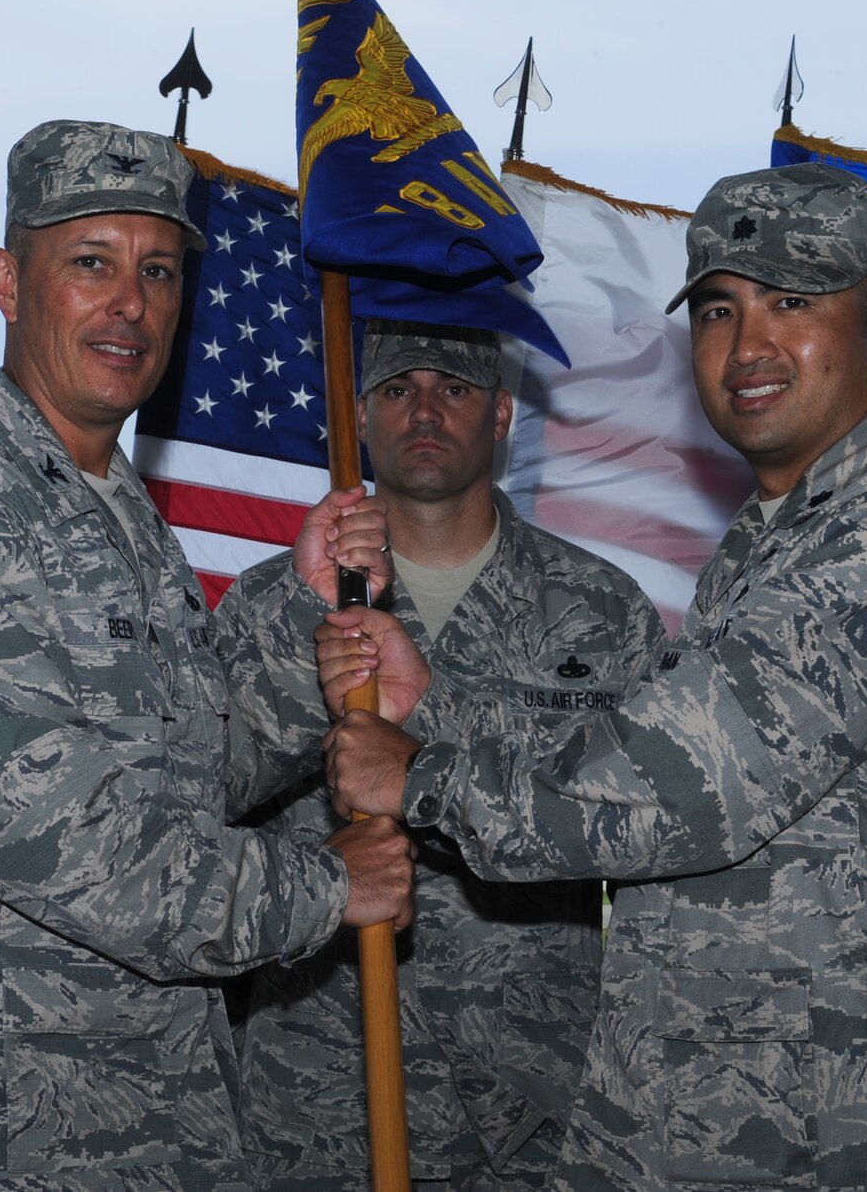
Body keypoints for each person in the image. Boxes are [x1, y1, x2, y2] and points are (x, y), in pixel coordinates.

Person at [318, 163, 867, 1192]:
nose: (746, 346)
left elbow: (679, 785)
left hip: (844, 1133)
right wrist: (434, 704)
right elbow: (657, 744)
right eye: (717, 309)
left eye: (791, 303)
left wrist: (416, 775)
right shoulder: (776, 540)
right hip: (711, 1115)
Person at [0, 119, 417, 1192]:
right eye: (90, 263)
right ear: (6, 280)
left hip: (130, 1117)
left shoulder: (117, 516)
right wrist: (326, 885)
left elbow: (195, 774)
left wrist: (294, 612)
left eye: (158, 271)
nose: (129, 303)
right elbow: (71, 849)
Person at [217, 321, 663, 1190]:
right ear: (361, 419)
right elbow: (204, 796)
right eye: (396, 391)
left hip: (531, 1103)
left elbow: (645, 836)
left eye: (453, 390)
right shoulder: (271, 607)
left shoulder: (604, 614)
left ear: (500, 415)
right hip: (317, 1091)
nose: (424, 412)